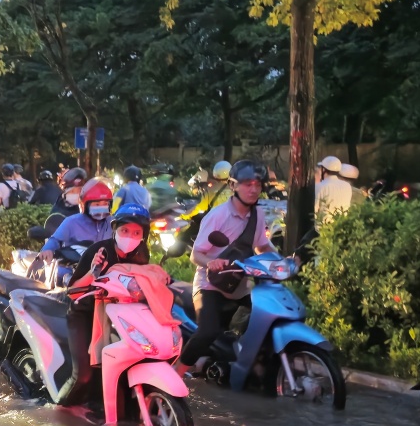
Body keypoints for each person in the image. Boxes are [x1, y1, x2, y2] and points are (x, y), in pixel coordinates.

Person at [172, 160, 274, 378]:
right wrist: (211, 262)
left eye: (257, 184)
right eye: (247, 184)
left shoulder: (258, 215)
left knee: (270, 316)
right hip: (211, 285)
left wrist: (282, 261)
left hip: (241, 285)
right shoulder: (218, 215)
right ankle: (174, 374)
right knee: (208, 331)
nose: (254, 189)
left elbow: (262, 246)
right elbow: (196, 254)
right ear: (233, 186)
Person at [58, 203, 152, 405]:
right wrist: (93, 272)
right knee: (83, 375)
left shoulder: (142, 254)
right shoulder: (98, 251)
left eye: (136, 232)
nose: (130, 237)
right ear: (115, 229)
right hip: (85, 313)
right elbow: (73, 292)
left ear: (143, 235)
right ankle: (61, 409)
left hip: (119, 316)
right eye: (125, 230)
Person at [39, 177, 114, 262]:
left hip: (106, 271)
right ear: (84, 205)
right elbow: (56, 240)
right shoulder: (72, 222)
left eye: (105, 204)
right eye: (97, 204)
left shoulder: (113, 223)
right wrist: (48, 250)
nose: (101, 208)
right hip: (75, 270)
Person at [314, 155, 353, 224]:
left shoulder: (319, 186)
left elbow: (315, 209)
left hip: (323, 228)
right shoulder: (347, 186)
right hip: (341, 225)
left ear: (324, 170)